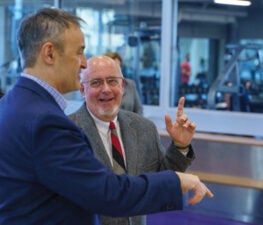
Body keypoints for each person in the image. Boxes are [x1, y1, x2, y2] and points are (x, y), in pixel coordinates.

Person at [0, 8, 213, 225]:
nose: (83, 62)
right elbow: (107, 193)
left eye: (112, 81)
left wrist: (179, 149)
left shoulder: (11, 106)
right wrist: (176, 181)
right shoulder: (49, 123)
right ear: (50, 53)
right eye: (79, 52)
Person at [70, 55, 196, 225]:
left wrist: (180, 146)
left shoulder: (144, 128)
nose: (106, 89)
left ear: (122, 86)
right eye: (96, 83)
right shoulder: (68, 132)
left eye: (112, 81)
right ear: (82, 90)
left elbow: (160, 180)